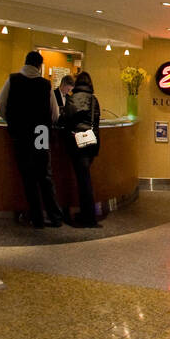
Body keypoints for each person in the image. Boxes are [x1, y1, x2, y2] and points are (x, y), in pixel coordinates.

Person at [0, 50, 64, 228]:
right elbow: (55, 113)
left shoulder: (12, 80)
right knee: (44, 175)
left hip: (21, 134)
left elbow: (1, 104)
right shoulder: (45, 85)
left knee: (28, 176)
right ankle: (55, 216)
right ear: (39, 66)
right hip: (41, 133)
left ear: (25, 62)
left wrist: (11, 121)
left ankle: (37, 218)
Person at [59, 71, 102, 227]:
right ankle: (88, 214)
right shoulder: (94, 100)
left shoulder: (72, 98)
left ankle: (88, 216)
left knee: (83, 180)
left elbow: (64, 120)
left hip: (76, 143)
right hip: (90, 142)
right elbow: (96, 122)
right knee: (85, 179)